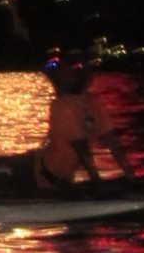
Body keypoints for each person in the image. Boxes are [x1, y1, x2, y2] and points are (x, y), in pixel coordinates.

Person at [28, 54, 135, 187]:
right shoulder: (62, 105)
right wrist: (96, 179)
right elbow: (80, 145)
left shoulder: (93, 102)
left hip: (61, 177)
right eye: (66, 73)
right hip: (39, 174)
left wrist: (131, 175)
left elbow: (112, 141)